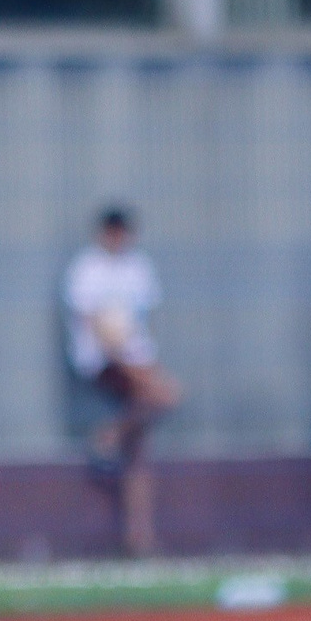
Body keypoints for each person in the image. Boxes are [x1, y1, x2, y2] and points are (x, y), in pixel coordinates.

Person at [63, 206, 179, 557]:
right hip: (103, 361)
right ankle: (111, 434)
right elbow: (98, 329)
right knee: (163, 398)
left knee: (139, 452)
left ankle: (138, 535)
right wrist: (139, 374)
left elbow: (141, 326)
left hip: (135, 358)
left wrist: (148, 368)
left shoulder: (138, 268)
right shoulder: (87, 270)